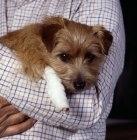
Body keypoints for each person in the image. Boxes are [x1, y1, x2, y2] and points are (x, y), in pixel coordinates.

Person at [0, 0, 125, 139]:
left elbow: (89, 107)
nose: (79, 79)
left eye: (90, 58)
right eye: (65, 57)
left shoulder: (97, 3)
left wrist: (13, 97)